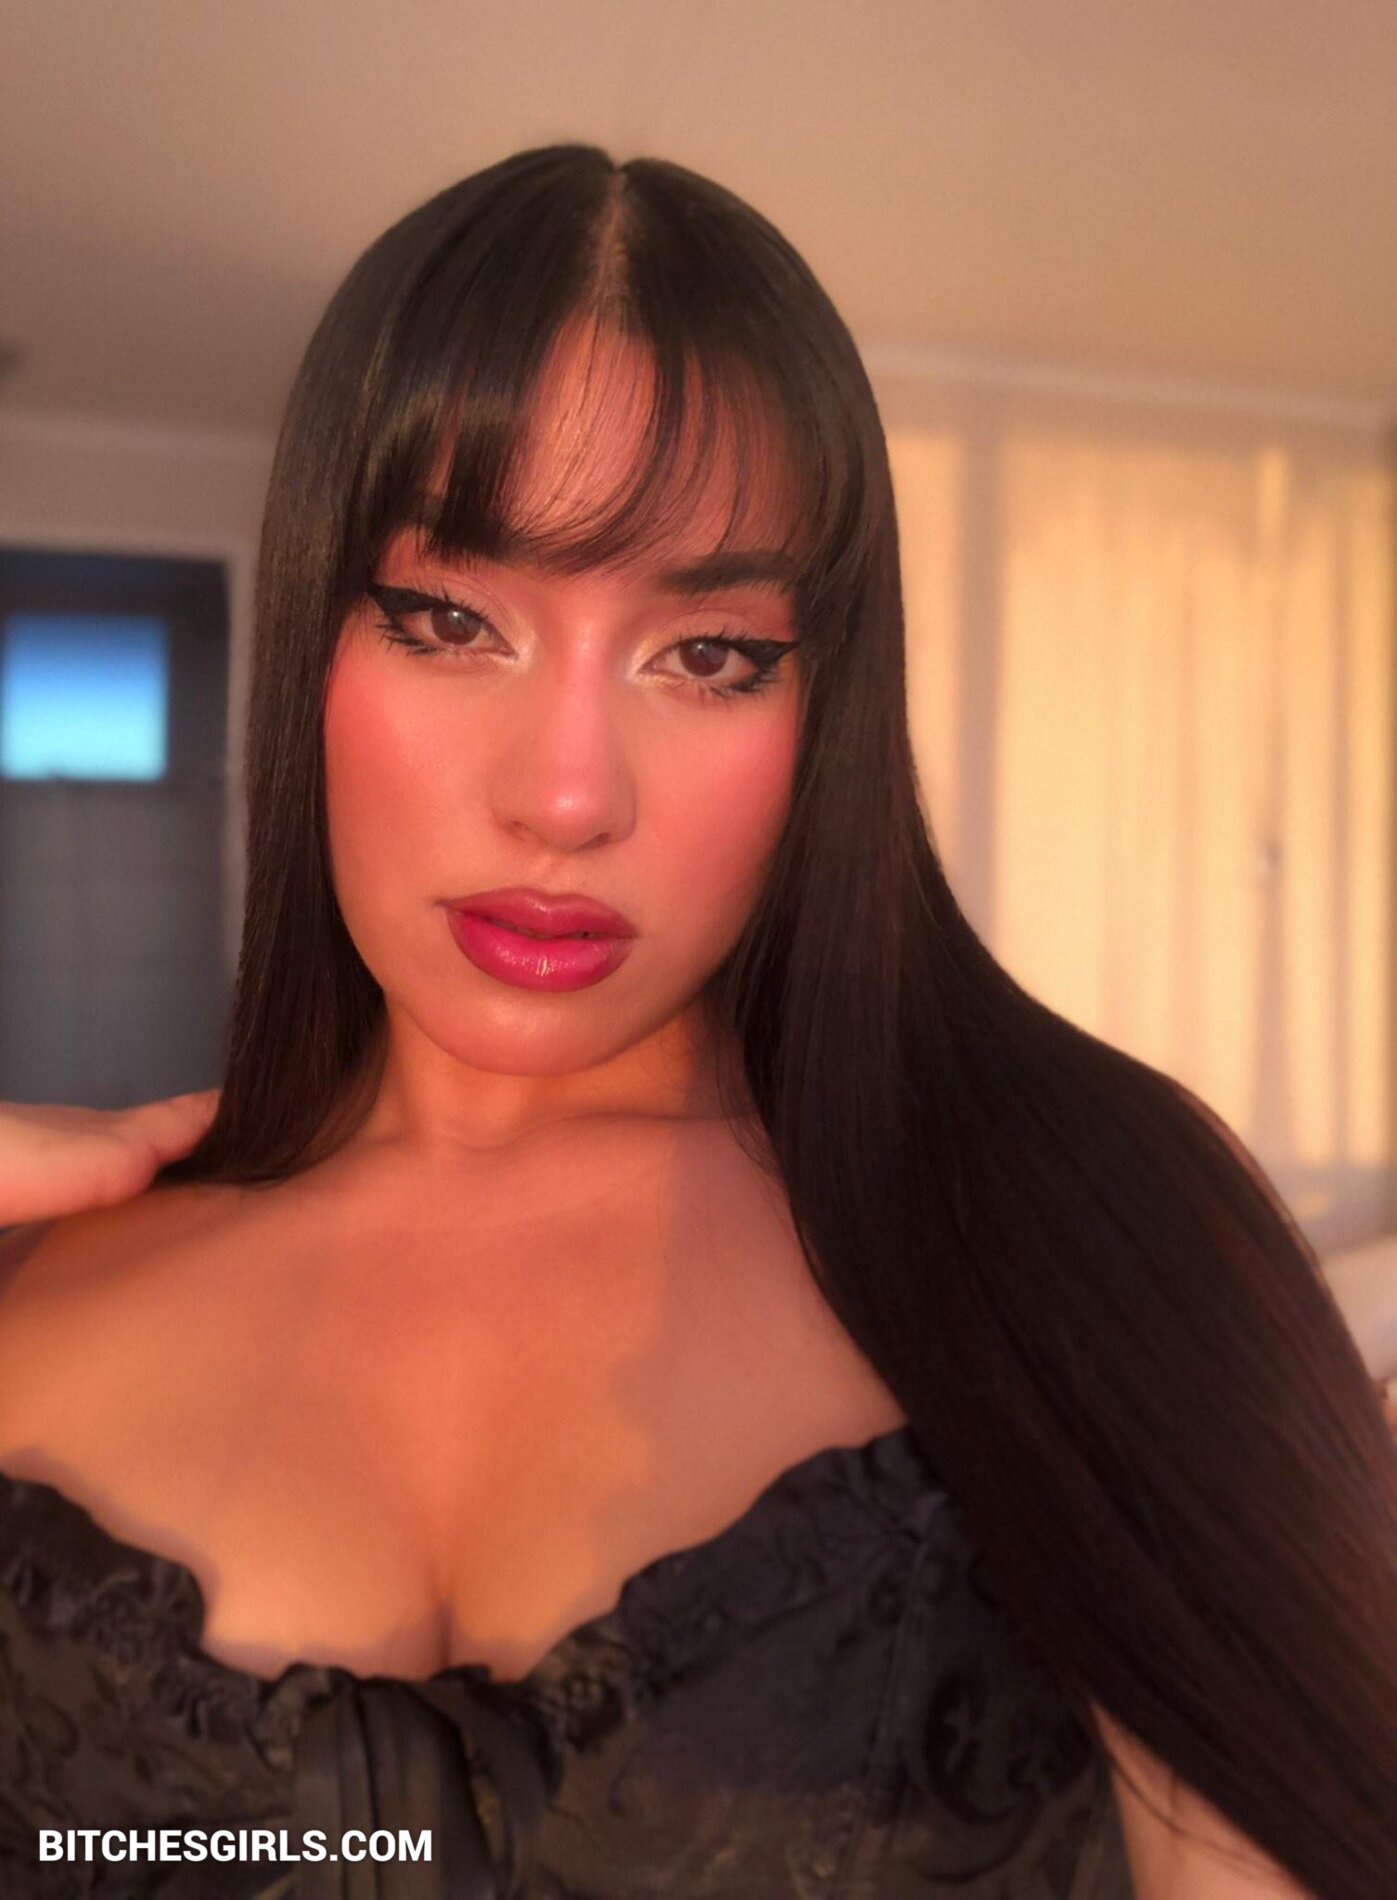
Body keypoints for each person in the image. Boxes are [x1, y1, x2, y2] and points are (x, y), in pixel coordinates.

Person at [0, 145, 1393, 1900]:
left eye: (709, 655)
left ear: (825, 709)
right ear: (311, 643)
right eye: (450, 619)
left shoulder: (1080, 1222)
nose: (567, 796)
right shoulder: (39, 1294)